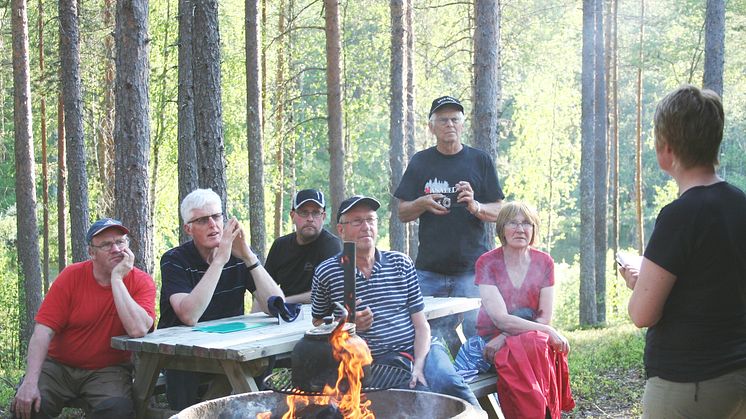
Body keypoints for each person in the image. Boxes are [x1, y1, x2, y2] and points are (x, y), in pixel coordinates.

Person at [619, 85, 746, 418]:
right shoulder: (740, 204)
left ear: (666, 150)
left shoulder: (679, 215)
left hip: (688, 384)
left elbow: (643, 314)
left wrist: (638, 287)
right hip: (738, 375)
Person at [311, 195, 479, 406]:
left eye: (371, 220)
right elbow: (317, 323)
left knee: (450, 384)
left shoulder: (400, 263)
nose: (366, 227)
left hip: (421, 350)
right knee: (406, 400)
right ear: (341, 229)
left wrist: (418, 365)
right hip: (372, 362)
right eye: (357, 221)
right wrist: (346, 325)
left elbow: (422, 326)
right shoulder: (328, 272)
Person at [11, 218, 156, 419]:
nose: (116, 249)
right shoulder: (71, 276)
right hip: (58, 366)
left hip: (107, 370)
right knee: (29, 406)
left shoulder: (141, 282)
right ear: (91, 253)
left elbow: (138, 330)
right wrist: (29, 382)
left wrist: (116, 279)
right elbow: (43, 331)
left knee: (116, 411)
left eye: (120, 242)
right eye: (106, 244)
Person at [158, 188, 284, 410]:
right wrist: (219, 262)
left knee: (265, 358)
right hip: (183, 355)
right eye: (203, 220)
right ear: (188, 228)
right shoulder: (174, 259)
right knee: (185, 382)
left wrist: (248, 256)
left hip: (227, 349)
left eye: (216, 216)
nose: (213, 225)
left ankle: (245, 411)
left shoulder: (238, 257)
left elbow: (277, 306)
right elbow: (189, 315)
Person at [394, 95, 504, 336]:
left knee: (479, 331)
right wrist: (422, 203)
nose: (449, 125)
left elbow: (500, 211)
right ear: (431, 126)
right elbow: (402, 212)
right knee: (427, 333)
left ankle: (476, 372)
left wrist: (475, 206)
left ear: (463, 124)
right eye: (442, 120)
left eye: (455, 119)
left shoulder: (480, 160)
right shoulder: (420, 162)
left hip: (472, 269)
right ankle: (449, 370)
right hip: (429, 270)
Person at [470, 202, 574, 418]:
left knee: (534, 343)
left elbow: (544, 316)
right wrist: (550, 332)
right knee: (535, 345)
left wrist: (507, 337)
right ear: (501, 229)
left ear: (534, 229)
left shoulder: (544, 262)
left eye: (527, 223)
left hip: (529, 336)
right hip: (491, 339)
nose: (520, 229)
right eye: (513, 223)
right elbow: (500, 319)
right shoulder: (487, 262)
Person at [263, 189, 341, 304]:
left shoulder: (332, 246)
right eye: (304, 212)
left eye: (315, 213)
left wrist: (283, 302)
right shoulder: (280, 246)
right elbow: (264, 289)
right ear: (292, 216)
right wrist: (254, 317)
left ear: (323, 217)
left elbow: (331, 291)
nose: (310, 218)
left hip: (320, 316)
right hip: (284, 315)